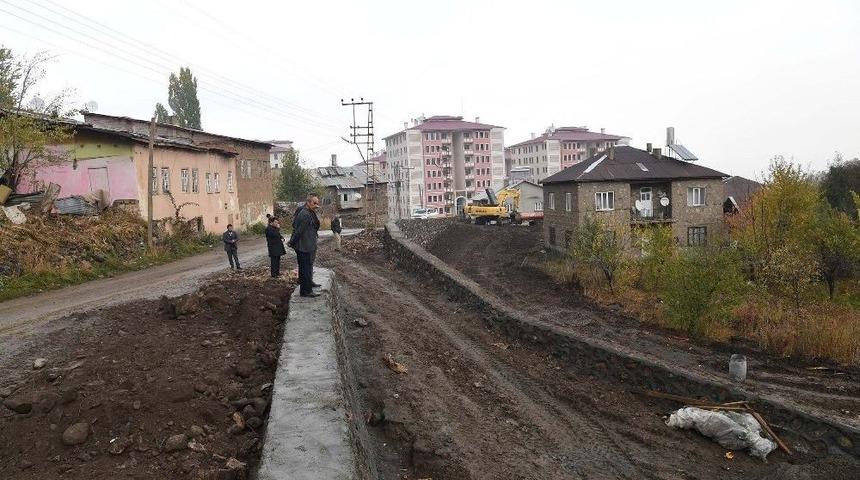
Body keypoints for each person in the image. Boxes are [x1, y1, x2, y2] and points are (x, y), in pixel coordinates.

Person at [289, 194, 321, 297]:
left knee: (307, 267)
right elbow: (299, 231)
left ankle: (308, 286)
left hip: (308, 245)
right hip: (304, 247)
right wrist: (292, 242)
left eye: (317, 203)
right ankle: (306, 291)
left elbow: (315, 225)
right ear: (308, 202)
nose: (316, 205)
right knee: (305, 269)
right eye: (314, 203)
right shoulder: (304, 214)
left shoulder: (309, 212)